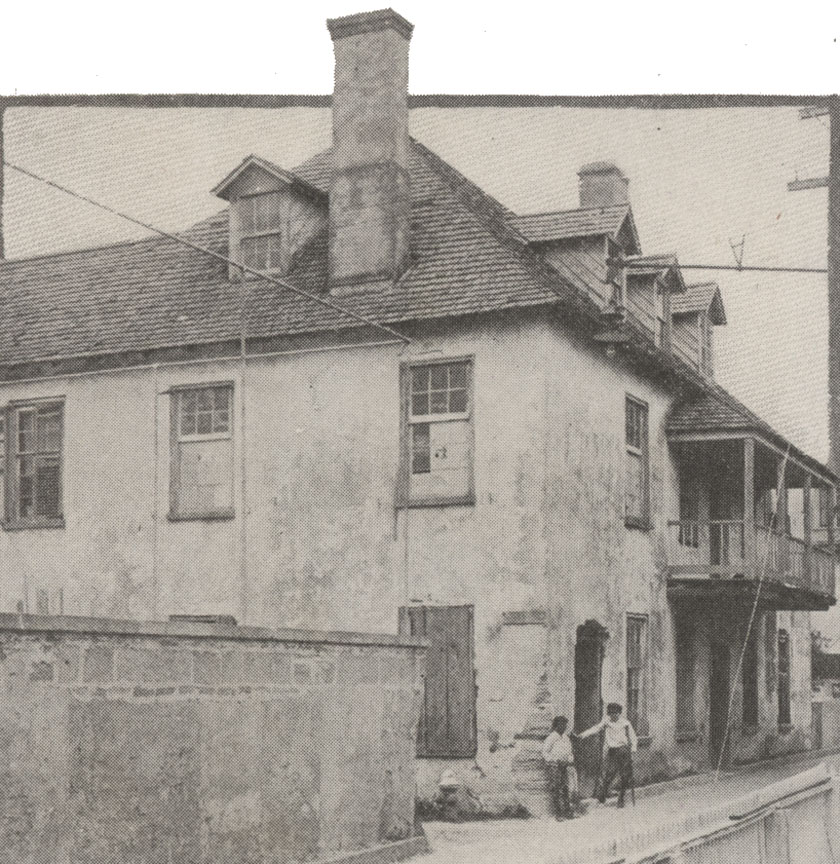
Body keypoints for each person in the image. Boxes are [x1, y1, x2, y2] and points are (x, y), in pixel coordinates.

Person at [573, 702, 637, 808]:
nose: (613, 715)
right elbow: (595, 729)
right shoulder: (606, 722)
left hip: (624, 751)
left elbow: (633, 737)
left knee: (624, 776)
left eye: (615, 713)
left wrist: (633, 750)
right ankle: (603, 794)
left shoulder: (625, 723)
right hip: (612, 751)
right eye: (611, 713)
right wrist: (582, 735)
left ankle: (621, 798)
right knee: (609, 773)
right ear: (609, 714)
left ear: (619, 713)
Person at [542, 715, 575, 820]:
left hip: (564, 766)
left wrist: (569, 760)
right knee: (556, 788)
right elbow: (545, 752)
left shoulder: (566, 738)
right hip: (554, 766)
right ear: (556, 726)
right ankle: (558, 813)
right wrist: (554, 760)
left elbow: (570, 752)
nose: (563, 727)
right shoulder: (551, 738)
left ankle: (567, 811)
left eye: (565, 725)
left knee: (565, 788)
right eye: (561, 725)